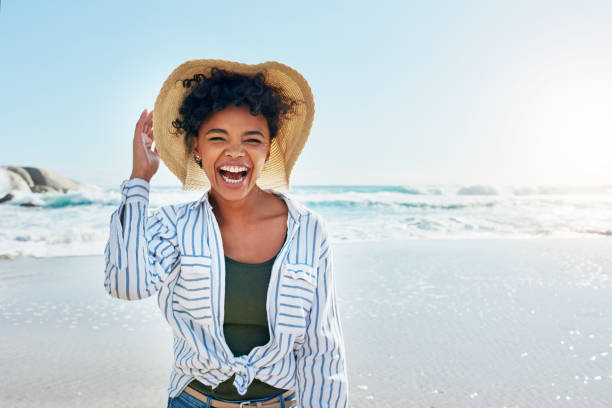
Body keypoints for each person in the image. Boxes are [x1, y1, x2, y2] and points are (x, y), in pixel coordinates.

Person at [103, 59, 349, 408]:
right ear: (198, 148)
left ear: (268, 149)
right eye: (217, 137)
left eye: (252, 139)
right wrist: (139, 180)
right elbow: (125, 285)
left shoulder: (308, 230)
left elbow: (322, 349)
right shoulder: (174, 226)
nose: (235, 151)